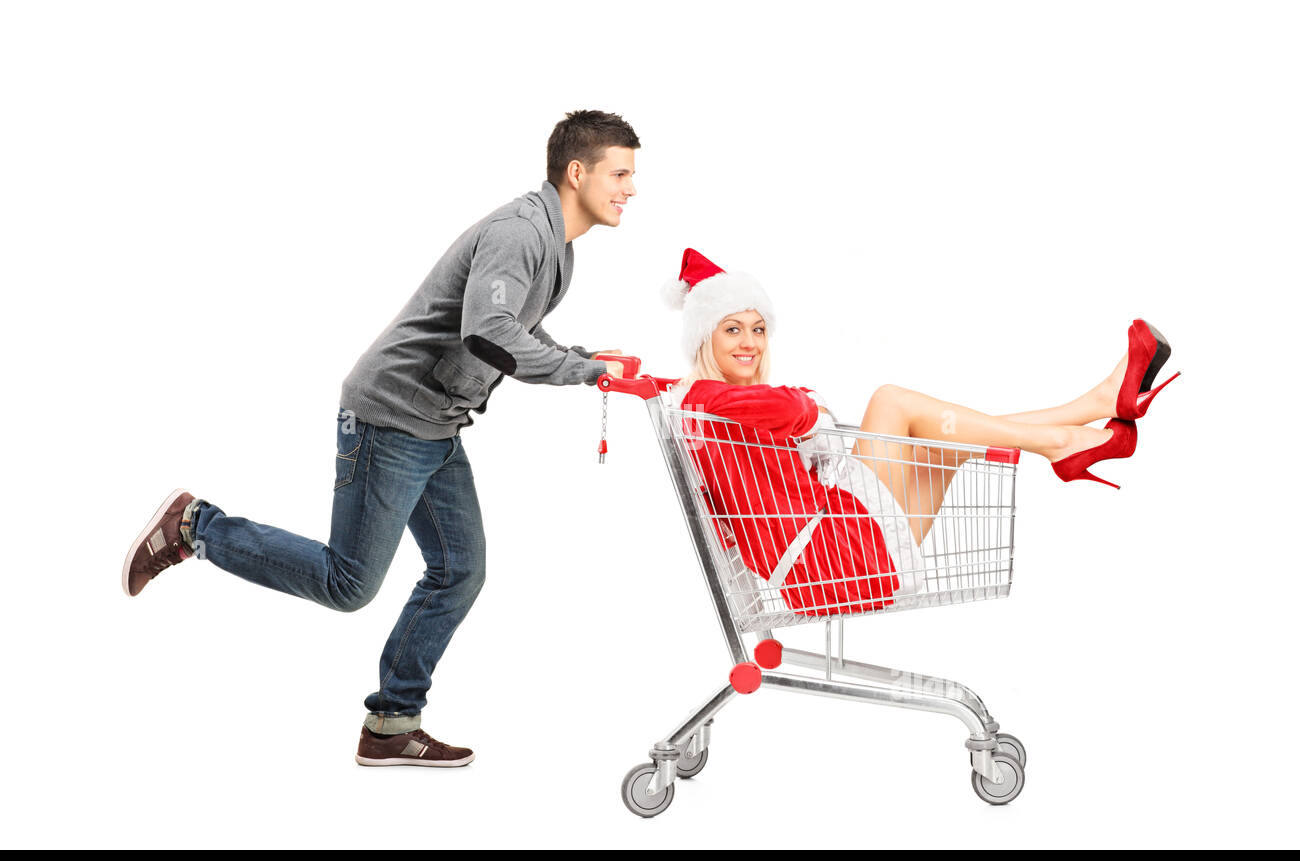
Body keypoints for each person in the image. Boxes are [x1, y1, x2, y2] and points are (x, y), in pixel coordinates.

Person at [122, 110, 641, 767]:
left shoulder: (556, 249)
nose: (629, 188)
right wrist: (586, 371)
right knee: (349, 583)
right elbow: (489, 333)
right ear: (577, 172)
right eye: (619, 173)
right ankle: (197, 528)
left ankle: (392, 724)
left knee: (459, 570)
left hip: (435, 422)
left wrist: (584, 356)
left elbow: (509, 330)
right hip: (392, 416)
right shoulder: (520, 234)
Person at [660, 248, 1180, 617]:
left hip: (834, 555)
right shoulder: (711, 398)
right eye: (732, 329)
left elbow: (775, 409)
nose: (749, 342)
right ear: (705, 336)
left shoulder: (704, 400)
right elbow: (791, 408)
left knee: (943, 446)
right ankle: (1071, 433)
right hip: (829, 559)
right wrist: (810, 407)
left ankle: (1084, 414)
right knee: (891, 401)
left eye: (757, 329)